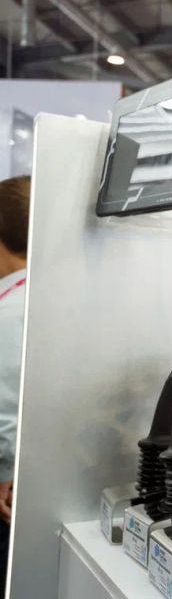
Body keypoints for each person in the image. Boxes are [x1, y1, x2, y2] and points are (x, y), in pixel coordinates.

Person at [0, 176, 28, 593]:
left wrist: (6, 472)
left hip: (10, 491)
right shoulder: (42, 293)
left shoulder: (11, 310)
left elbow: (6, 415)